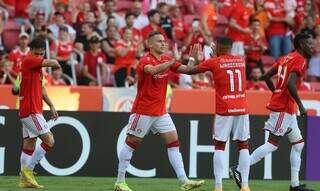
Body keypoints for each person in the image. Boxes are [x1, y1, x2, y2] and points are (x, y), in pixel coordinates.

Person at [114, 31, 204, 191]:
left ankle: (184, 181)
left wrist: (192, 59)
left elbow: (189, 70)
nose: (163, 43)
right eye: (159, 41)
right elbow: (152, 71)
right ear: (150, 44)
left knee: (174, 143)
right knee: (132, 144)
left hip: (161, 112)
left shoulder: (167, 60)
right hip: (143, 110)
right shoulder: (144, 60)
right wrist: (173, 61)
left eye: (164, 41)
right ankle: (120, 182)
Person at [230, 33, 315, 191]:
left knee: (298, 144)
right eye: (310, 44)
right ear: (302, 45)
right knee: (272, 144)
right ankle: (240, 169)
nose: (313, 46)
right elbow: (290, 84)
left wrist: (276, 92)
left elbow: (266, 76)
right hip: (284, 108)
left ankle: (295, 185)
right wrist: (301, 105)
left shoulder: (286, 57)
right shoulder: (300, 60)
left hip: (286, 108)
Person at [185, 37, 251, 191]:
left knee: (220, 146)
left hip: (224, 108)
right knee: (243, 145)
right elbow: (224, 65)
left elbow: (188, 70)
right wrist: (216, 56)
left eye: (215, 47)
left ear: (219, 47)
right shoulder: (241, 60)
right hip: (242, 107)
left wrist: (193, 58)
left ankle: (218, 186)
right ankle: (245, 186)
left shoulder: (213, 62)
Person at [18, 38, 60, 188]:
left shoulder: (36, 67)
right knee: (49, 140)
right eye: (37, 53)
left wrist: (51, 105)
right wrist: (54, 62)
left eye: (41, 53)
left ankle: (24, 180)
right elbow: (54, 63)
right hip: (31, 110)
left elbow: (41, 89)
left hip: (31, 109)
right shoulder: (29, 60)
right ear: (31, 51)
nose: (39, 56)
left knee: (29, 145)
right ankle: (28, 171)